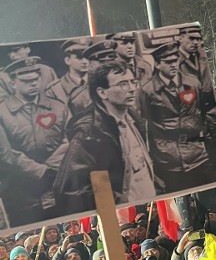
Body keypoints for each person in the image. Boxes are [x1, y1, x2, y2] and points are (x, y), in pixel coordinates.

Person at [54, 60, 155, 213]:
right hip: (123, 214)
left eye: (133, 82)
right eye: (123, 84)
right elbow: (70, 191)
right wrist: (110, 207)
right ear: (102, 92)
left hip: (146, 206)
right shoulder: (90, 135)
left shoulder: (133, 118)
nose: (132, 89)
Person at [138, 42, 216, 193]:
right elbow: (141, 127)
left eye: (175, 60)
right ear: (157, 63)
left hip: (198, 156)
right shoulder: (147, 91)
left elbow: (207, 114)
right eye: (168, 61)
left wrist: (215, 150)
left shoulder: (193, 83)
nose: (173, 64)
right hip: (168, 160)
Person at [0, 56, 68, 227]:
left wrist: (54, 167)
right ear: (13, 83)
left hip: (60, 186)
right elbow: (6, 153)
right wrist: (41, 171)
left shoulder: (58, 107)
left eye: (36, 79)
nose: (33, 84)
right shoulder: (2, 113)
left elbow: (72, 139)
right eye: (26, 80)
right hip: (23, 194)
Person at [45, 38, 92, 117]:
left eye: (87, 57)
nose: (85, 61)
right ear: (67, 60)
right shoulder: (55, 89)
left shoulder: (97, 81)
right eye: (79, 57)